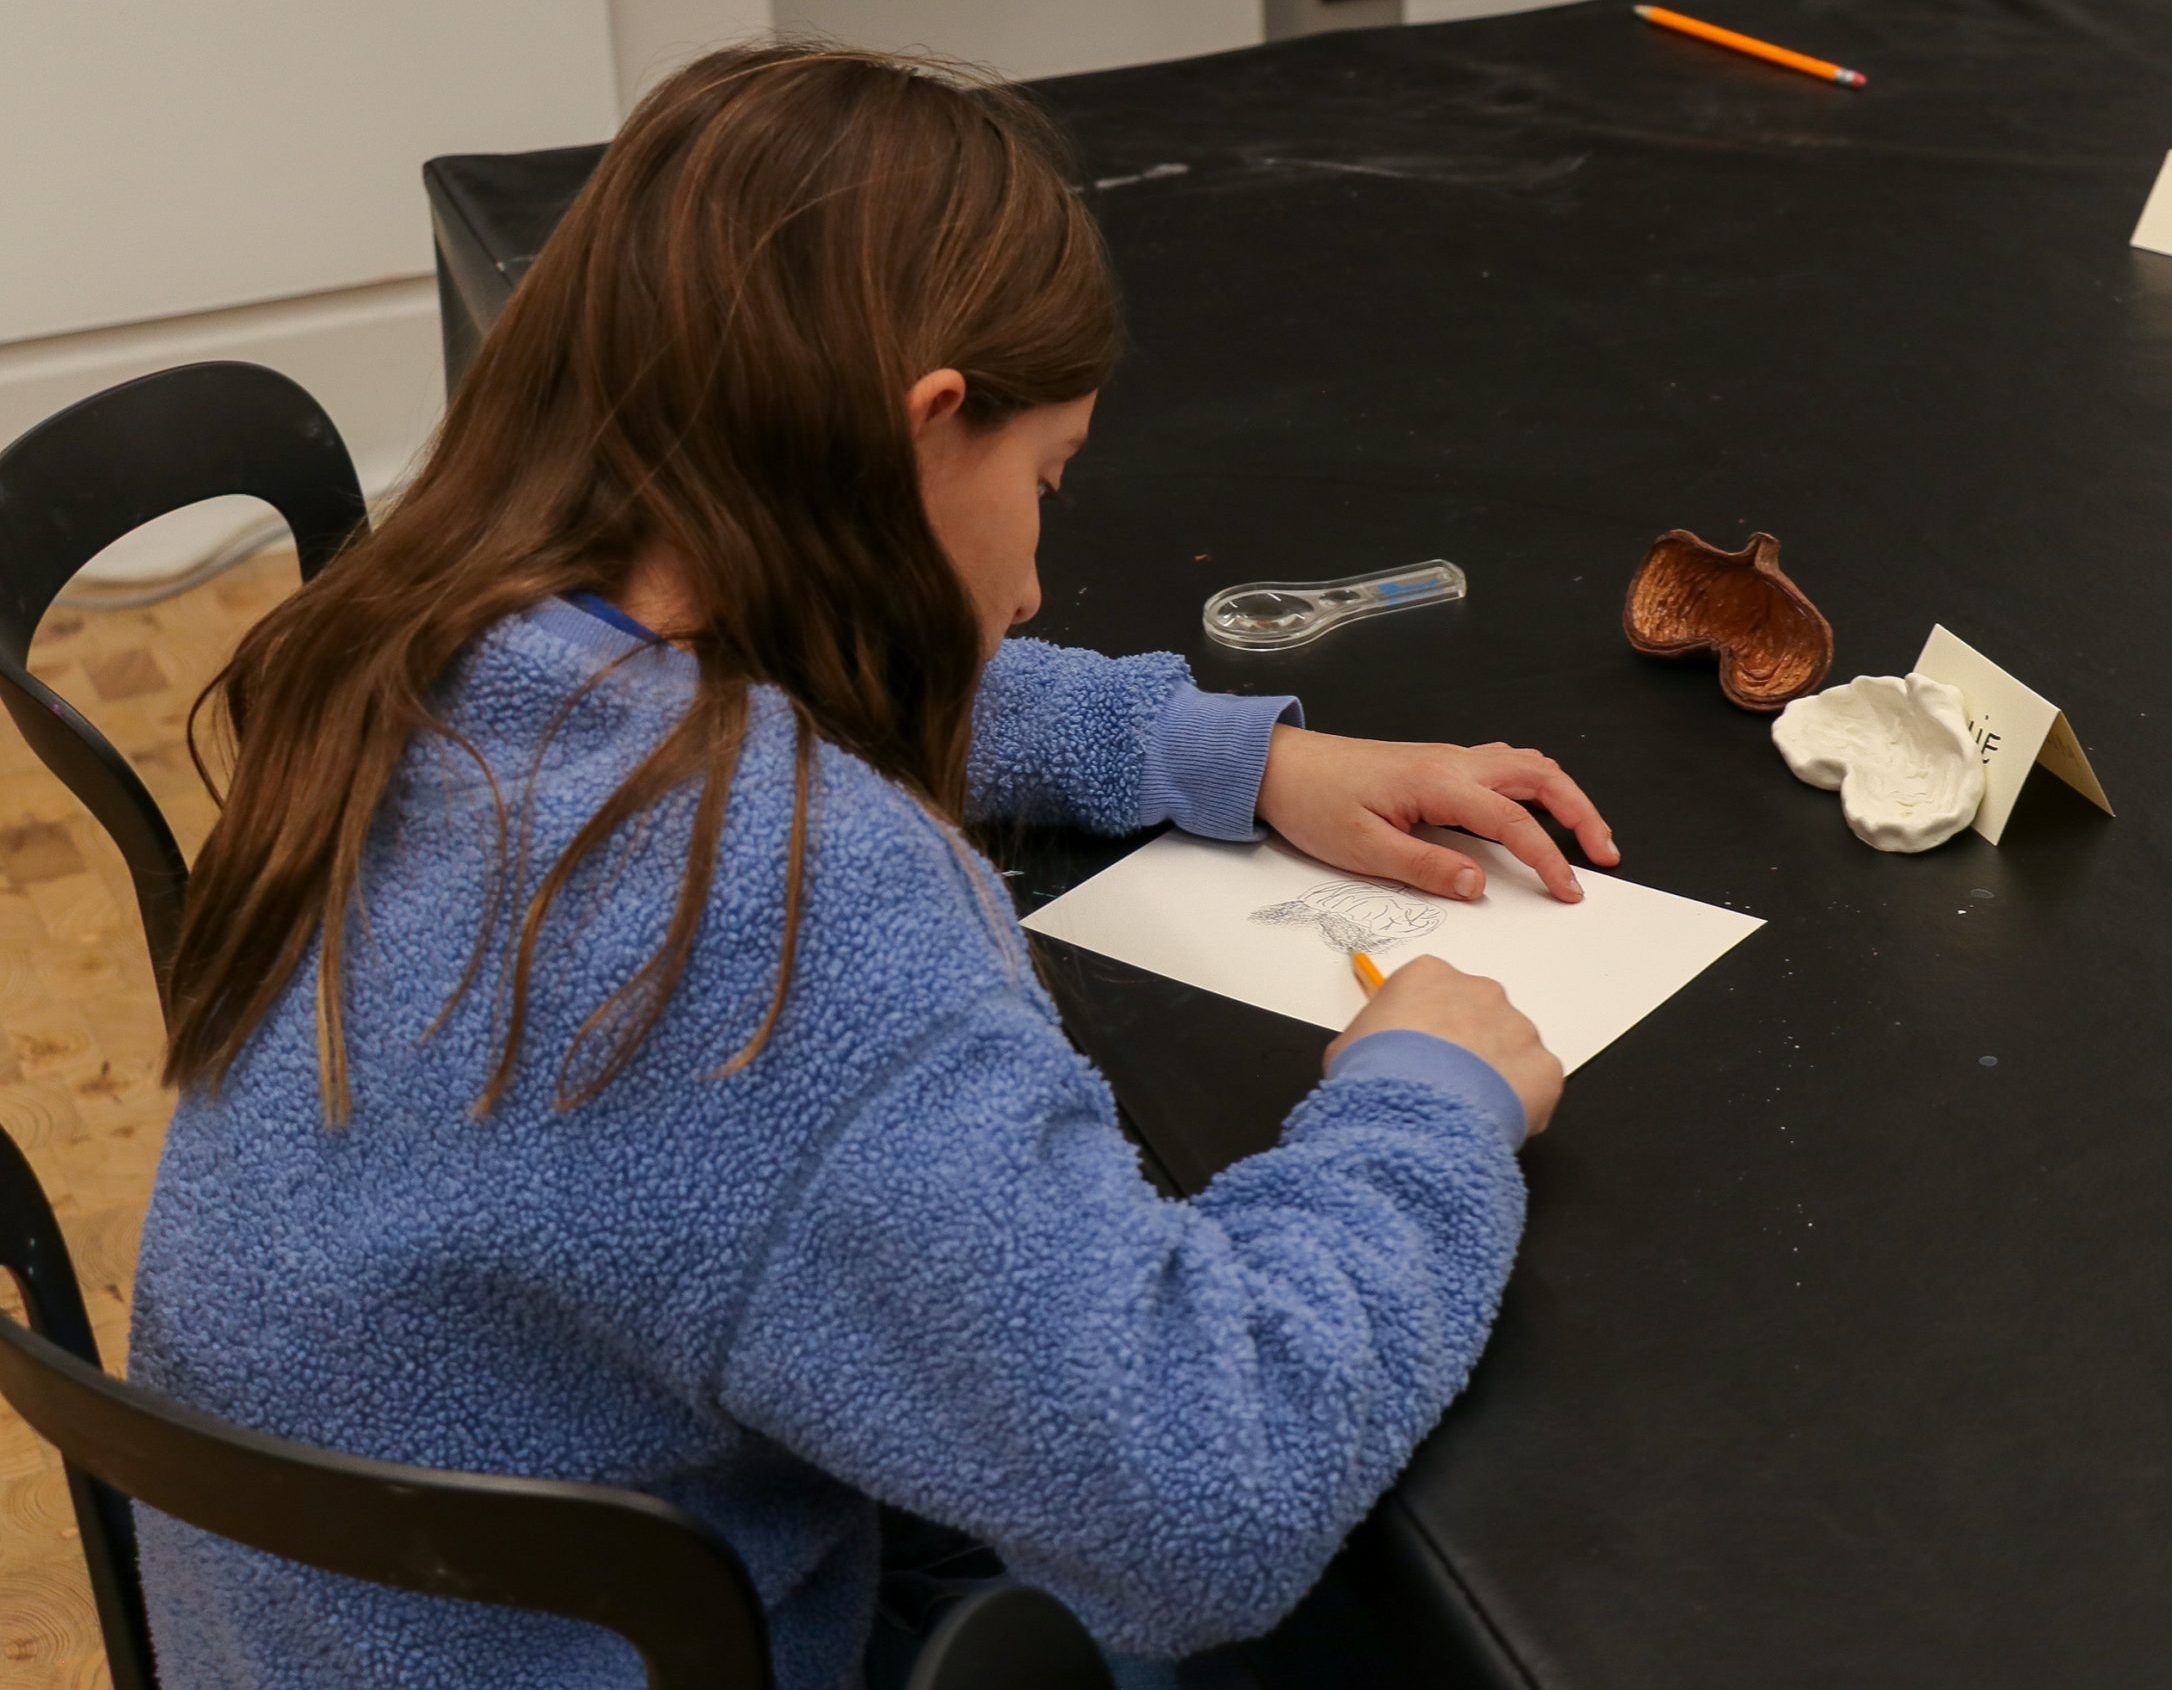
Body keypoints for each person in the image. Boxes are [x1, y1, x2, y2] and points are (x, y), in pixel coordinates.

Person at [131, 41, 1616, 1690]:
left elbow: (803, 665)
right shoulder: (776, 916)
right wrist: (1423, 1098)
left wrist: (1228, 756)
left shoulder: (423, 637)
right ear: (923, 433)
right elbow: (1206, 1491)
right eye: (1041, 485)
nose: (1037, 588)